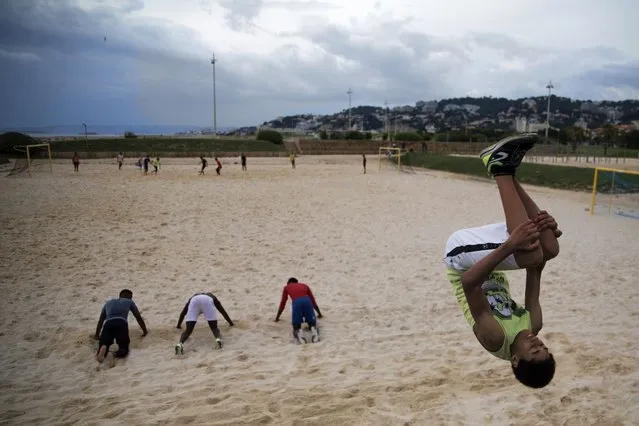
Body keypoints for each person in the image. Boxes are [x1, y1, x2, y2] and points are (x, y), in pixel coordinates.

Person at [444, 133, 562, 389]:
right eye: (544, 348)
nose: (537, 344)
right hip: (489, 259)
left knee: (531, 249)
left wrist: (511, 245)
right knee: (550, 247)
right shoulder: (534, 324)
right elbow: (536, 269)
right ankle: (508, 170)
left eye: (534, 352)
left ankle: (499, 168)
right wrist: (546, 232)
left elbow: (469, 282)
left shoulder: (495, 338)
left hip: (460, 258)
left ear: (516, 361)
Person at [93, 289, 148, 368]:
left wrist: (97, 335)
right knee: (123, 347)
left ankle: (103, 348)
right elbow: (138, 317)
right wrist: (145, 331)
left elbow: (101, 321)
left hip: (108, 323)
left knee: (104, 342)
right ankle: (112, 354)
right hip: (121, 323)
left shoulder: (108, 303)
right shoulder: (129, 302)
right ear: (129, 296)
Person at [275, 278, 323, 344]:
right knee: (312, 323)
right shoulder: (305, 285)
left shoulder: (286, 287)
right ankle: (314, 333)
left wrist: (277, 318)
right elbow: (313, 301)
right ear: (297, 282)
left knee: (296, 326)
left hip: (297, 302)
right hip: (307, 301)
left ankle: (300, 336)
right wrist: (319, 314)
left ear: (288, 283)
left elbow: (283, 303)